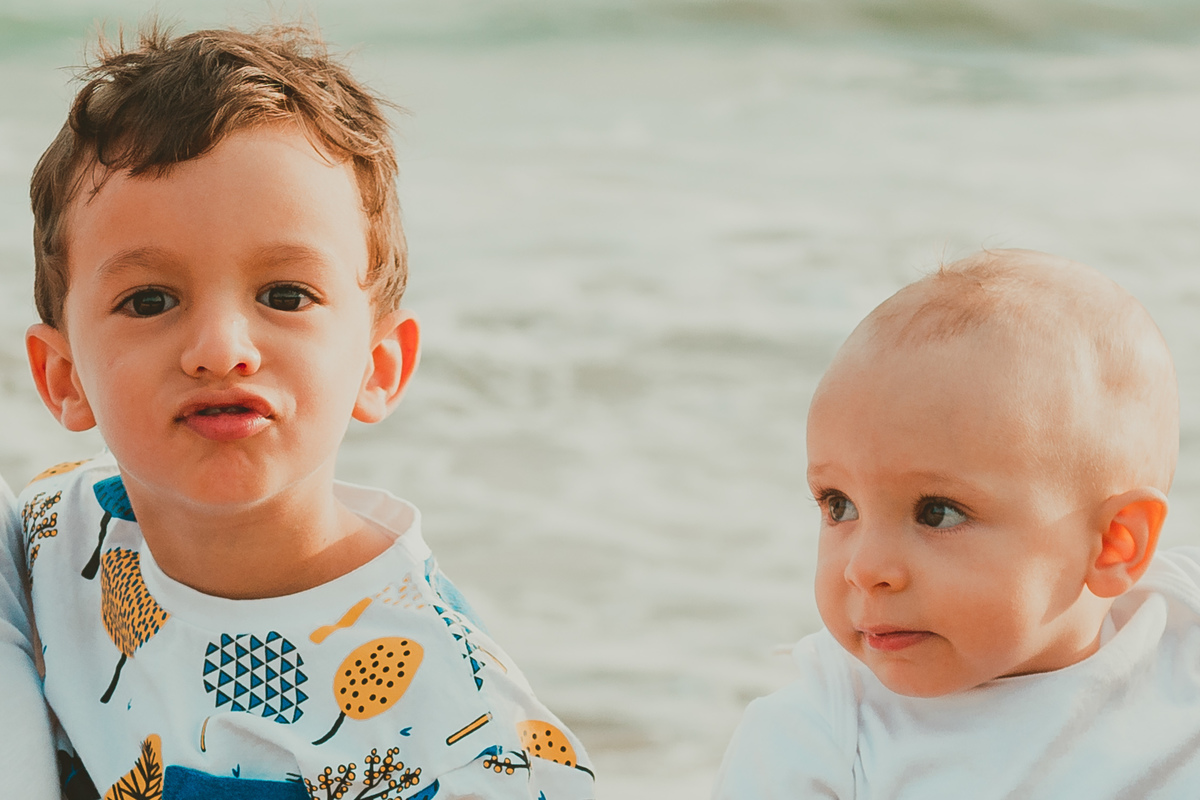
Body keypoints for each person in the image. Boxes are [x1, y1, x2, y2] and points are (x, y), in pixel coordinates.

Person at [16, 21, 594, 800]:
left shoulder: (462, 737)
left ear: (379, 367)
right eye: (149, 300)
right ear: (63, 377)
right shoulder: (54, 531)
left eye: (285, 295)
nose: (220, 348)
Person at [713, 249, 1200, 798]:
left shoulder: (1184, 640)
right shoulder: (818, 743)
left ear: (1115, 544)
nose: (864, 568)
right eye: (838, 505)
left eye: (936, 513)